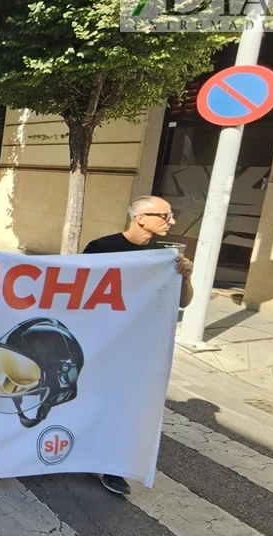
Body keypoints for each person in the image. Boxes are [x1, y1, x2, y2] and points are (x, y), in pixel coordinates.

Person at [81, 195, 194, 496]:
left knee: (125, 407)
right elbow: (75, 293)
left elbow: (182, 302)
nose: (172, 221)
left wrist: (186, 277)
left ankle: (112, 466)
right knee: (88, 400)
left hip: (138, 348)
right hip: (100, 345)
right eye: (165, 215)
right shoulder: (101, 248)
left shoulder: (167, 256)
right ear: (140, 217)